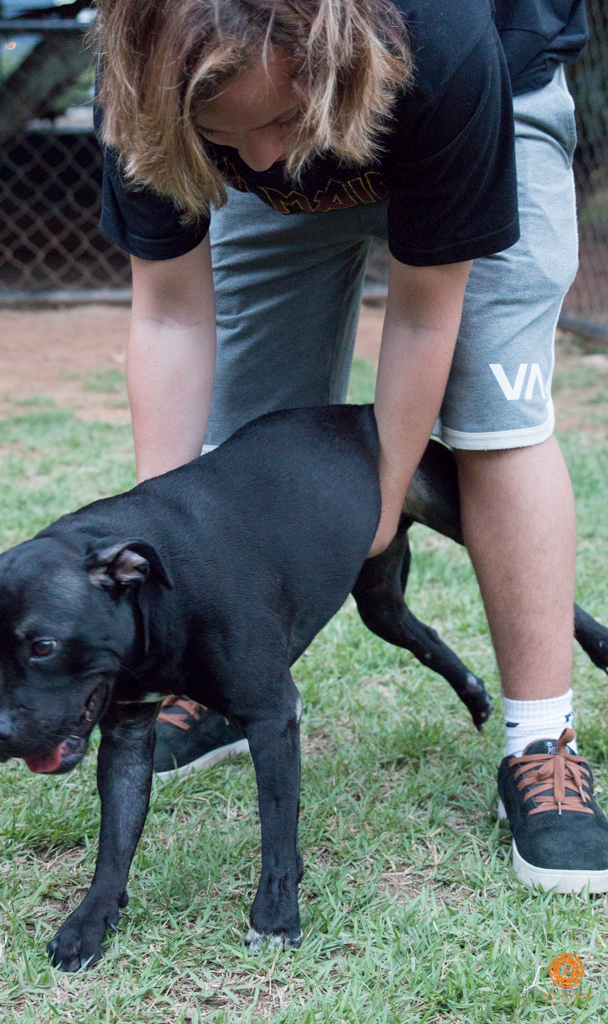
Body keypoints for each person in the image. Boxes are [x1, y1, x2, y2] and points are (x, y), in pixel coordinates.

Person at [94, 0, 608, 891]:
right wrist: (166, 547)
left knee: (496, 420)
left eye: (275, 124)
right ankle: (214, 690)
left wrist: (377, 506)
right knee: (241, 442)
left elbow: (422, 310)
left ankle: (541, 743)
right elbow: (172, 314)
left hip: (468, 98)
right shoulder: (151, 74)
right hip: (294, 99)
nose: (260, 158)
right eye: (228, 134)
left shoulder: (437, 42)